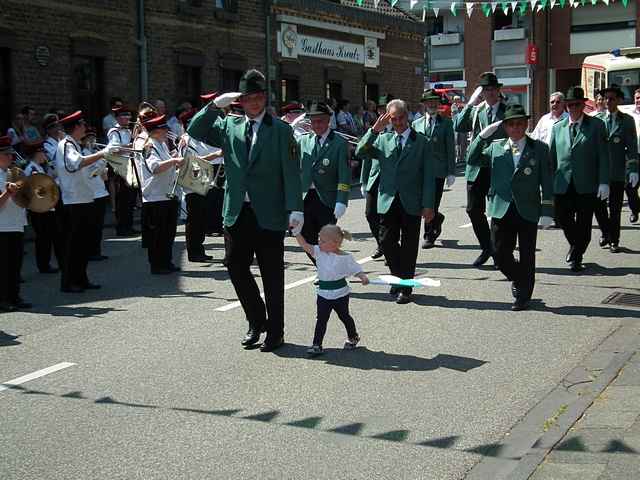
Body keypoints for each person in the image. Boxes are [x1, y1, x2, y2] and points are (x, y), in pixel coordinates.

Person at [187, 69, 303, 352]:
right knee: (236, 267)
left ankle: (276, 332)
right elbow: (195, 130)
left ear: (265, 98)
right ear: (240, 101)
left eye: (259, 97)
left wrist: (295, 209)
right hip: (237, 210)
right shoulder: (230, 125)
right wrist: (215, 106)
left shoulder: (281, 130)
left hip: (269, 212)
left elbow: (291, 173)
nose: (254, 102)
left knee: (272, 274)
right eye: (248, 97)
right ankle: (256, 319)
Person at [466, 104, 553, 311]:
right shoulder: (496, 147)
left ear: (526, 124)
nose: (515, 128)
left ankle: (523, 296)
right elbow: (472, 158)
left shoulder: (539, 148)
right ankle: (520, 278)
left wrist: (548, 210)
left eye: (519, 123)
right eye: (511, 124)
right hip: (501, 207)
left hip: (527, 208)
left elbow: (547, 182)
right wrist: (482, 137)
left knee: (527, 253)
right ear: (505, 127)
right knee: (498, 252)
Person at [356, 99, 435, 305]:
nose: (398, 122)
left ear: (407, 116)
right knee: (386, 241)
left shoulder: (422, 142)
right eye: (394, 119)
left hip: (411, 201)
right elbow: (360, 152)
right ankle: (400, 278)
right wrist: (374, 130)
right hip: (387, 200)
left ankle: (405, 287)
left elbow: (428, 176)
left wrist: (428, 204)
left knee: (409, 246)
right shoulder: (383, 139)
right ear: (388, 119)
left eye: (401, 118)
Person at [550, 86, 609, 272]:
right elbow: (552, 157)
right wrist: (548, 183)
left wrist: (604, 181)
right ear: (566, 106)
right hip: (563, 182)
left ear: (583, 105)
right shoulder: (558, 127)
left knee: (584, 223)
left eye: (577, 104)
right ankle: (576, 246)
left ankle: (576, 256)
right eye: (570, 105)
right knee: (562, 218)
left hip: (587, 183)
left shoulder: (596, 125)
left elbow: (603, 155)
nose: (573, 108)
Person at [56, 110, 116, 293]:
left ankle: (81, 278)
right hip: (74, 201)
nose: (85, 128)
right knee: (73, 244)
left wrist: (101, 162)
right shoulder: (66, 145)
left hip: (85, 198)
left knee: (83, 244)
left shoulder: (75, 144)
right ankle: (69, 282)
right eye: (82, 125)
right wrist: (102, 153)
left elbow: (86, 170)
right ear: (75, 127)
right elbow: (75, 164)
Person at [454, 72, 507, 267]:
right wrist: (470, 103)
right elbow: (459, 125)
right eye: (485, 90)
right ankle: (487, 247)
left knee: (498, 212)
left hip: (498, 167)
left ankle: (499, 250)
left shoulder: (507, 110)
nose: (489, 93)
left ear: (498, 90)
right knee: (473, 210)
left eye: (492, 89)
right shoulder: (477, 111)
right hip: (477, 166)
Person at [295, 224, 368, 355]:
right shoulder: (318, 252)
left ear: (335, 243)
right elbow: (305, 245)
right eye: (319, 239)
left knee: (344, 316)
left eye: (322, 240)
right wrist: (296, 232)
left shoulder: (346, 257)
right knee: (321, 319)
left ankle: (353, 337)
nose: (319, 241)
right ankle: (317, 345)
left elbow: (356, 269)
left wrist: (362, 277)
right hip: (323, 294)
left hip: (341, 293)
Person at [297, 103, 351, 257]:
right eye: (313, 121)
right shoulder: (303, 140)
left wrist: (341, 200)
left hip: (327, 198)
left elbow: (344, 175)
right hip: (306, 196)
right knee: (306, 236)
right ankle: (322, 268)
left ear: (328, 121)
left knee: (326, 238)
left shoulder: (339, 143)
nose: (316, 125)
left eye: (320, 121)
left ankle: (328, 272)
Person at [593, 85, 639, 252]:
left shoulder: (626, 120)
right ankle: (605, 232)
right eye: (605, 98)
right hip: (599, 173)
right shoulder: (597, 120)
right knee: (598, 207)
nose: (608, 101)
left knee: (615, 208)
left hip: (618, 172)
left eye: (611, 98)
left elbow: (632, 146)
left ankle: (614, 240)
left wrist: (633, 168)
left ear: (619, 100)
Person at [139, 114, 183, 274]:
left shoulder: (161, 145)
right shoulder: (149, 146)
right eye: (164, 129)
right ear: (156, 131)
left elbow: (165, 164)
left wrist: (174, 159)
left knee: (168, 233)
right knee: (157, 234)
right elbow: (155, 167)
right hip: (155, 197)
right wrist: (173, 161)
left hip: (166, 194)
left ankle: (167, 261)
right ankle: (157, 264)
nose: (166, 132)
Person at [177, 107, 222, 262]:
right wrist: (215, 155)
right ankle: (193, 251)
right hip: (191, 182)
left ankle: (199, 249)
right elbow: (189, 162)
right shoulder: (186, 139)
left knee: (201, 217)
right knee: (194, 218)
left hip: (202, 180)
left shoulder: (199, 138)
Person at [413, 89, 456, 249]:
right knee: (421, 202)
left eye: (434, 102)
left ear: (438, 104)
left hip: (438, 170)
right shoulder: (416, 124)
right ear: (424, 104)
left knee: (433, 203)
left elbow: (450, 148)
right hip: (420, 171)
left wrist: (451, 171)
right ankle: (437, 218)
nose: (432, 104)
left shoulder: (446, 123)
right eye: (429, 102)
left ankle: (429, 235)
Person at [358, 94, 393, 260]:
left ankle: (388, 247)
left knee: (387, 217)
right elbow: (364, 154)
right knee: (370, 214)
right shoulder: (374, 131)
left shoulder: (398, 129)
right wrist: (363, 181)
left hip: (392, 181)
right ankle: (381, 244)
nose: (382, 113)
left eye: (385, 110)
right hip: (374, 178)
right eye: (380, 110)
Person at [23, 141, 63, 273]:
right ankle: (44, 265)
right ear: (37, 154)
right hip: (39, 208)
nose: (45, 155)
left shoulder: (40, 167)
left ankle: (53, 263)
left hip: (47, 207)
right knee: (43, 238)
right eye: (42, 152)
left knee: (52, 236)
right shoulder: (32, 169)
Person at [0, 136, 30, 311]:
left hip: (16, 223)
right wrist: (7, 192)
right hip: (2, 226)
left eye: (11, 154)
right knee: (3, 266)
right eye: (7, 154)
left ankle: (14, 296)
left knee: (15, 264)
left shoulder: (12, 173)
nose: (11, 158)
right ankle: (3, 299)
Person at [107, 105, 138, 237]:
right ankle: (122, 227)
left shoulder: (128, 131)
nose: (128, 118)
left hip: (130, 166)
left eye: (129, 115)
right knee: (122, 199)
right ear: (118, 118)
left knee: (131, 198)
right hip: (120, 168)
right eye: (125, 116)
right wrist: (130, 146)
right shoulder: (115, 131)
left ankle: (129, 225)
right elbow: (114, 149)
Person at [81, 128, 110, 261]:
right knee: (92, 226)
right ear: (84, 141)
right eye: (90, 138)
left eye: (94, 138)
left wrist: (104, 165)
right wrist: (102, 161)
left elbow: (104, 178)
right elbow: (91, 174)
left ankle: (96, 251)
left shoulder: (95, 154)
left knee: (99, 226)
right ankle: (91, 252)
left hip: (101, 192)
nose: (93, 141)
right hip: (92, 194)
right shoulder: (84, 155)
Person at [627, 88, 640, 224]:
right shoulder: (629, 116)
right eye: (637, 98)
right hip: (634, 155)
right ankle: (635, 210)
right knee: (631, 186)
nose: (638, 100)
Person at [451, 95, 469, 165]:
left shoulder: (461, 106)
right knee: (457, 143)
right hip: (456, 127)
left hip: (463, 127)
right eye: (456, 99)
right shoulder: (453, 106)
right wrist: (461, 110)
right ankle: (457, 157)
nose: (458, 100)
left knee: (463, 143)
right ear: (454, 100)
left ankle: (462, 157)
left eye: (458, 99)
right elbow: (455, 114)